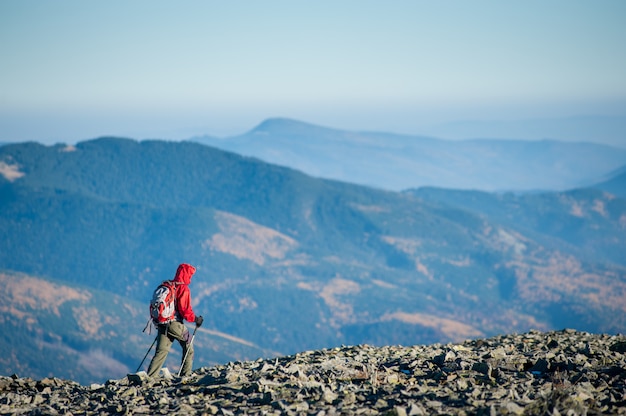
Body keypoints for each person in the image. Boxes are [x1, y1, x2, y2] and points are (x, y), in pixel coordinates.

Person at [147, 263, 203, 378]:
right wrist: (196, 319)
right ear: (187, 274)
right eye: (190, 275)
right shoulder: (183, 289)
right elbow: (185, 310)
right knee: (189, 347)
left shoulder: (169, 285)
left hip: (162, 323)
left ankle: (149, 378)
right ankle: (185, 376)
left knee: (161, 352)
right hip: (174, 323)